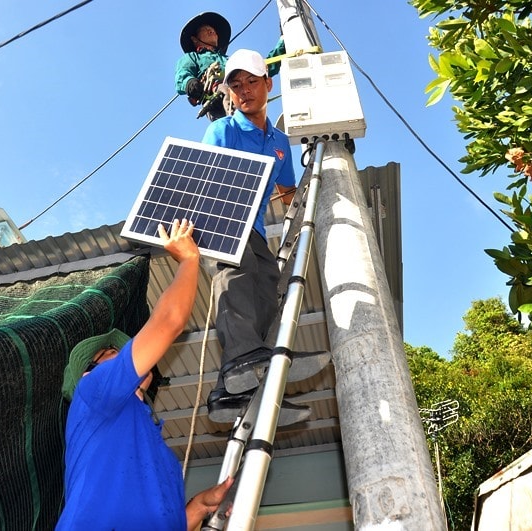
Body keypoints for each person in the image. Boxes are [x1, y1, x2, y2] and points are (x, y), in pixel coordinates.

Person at [55, 218, 233, 530]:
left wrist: (198, 507)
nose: (124, 354)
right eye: (112, 352)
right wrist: (189, 260)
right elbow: (168, 321)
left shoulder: (157, 453)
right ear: (88, 374)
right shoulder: (93, 393)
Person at [201, 49, 330, 425]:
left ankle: (232, 389)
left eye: (251, 82)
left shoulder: (278, 141)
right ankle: (243, 358)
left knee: (267, 289)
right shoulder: (222, 130)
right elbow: (210, 179)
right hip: (225, 217)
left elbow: (288, 191)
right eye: (236, 85)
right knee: (235, 275)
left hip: (255, 229)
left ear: (268, 85)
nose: (244, 91)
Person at [174, 12, 285, 121]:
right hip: (217, 97)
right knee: (227, 91)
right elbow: (182, 75)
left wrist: (283, 41)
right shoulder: (192, 57)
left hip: (238, 92)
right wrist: (190, 84)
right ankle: (236, 125)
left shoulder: (230, 60)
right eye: (205, 29)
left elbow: (261, 68)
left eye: (213, 30)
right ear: (194, 39)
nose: (211, 31)